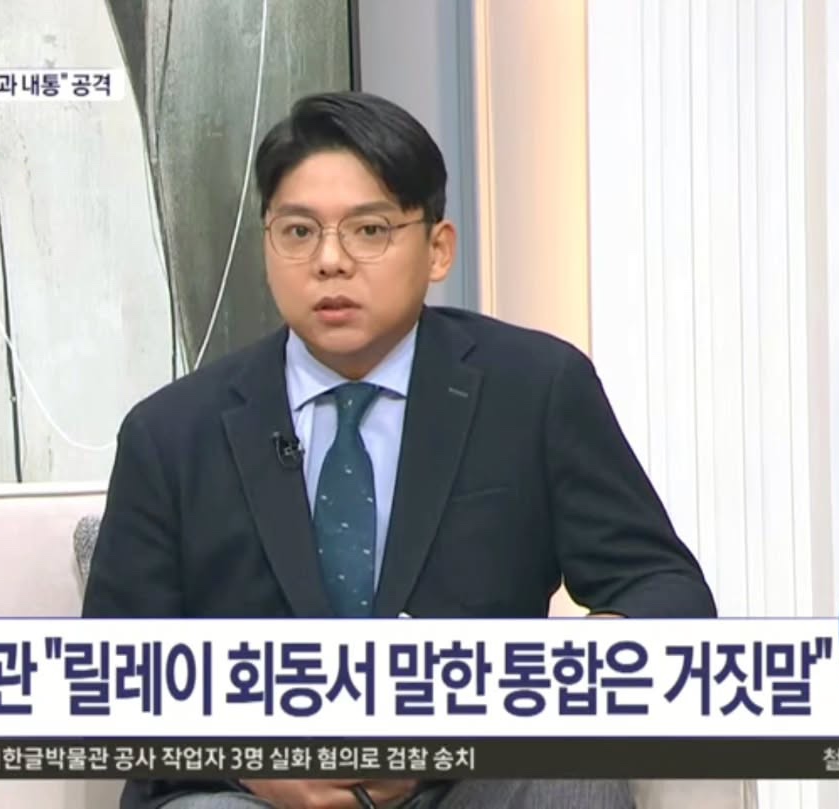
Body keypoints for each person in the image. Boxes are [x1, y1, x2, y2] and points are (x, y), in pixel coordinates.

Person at [83, 91, 716, 809]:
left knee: (565, 775)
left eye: (369, 230)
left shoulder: (534, 389)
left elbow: (667, 591)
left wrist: (533, 682)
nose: (329, 261)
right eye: (298, 231)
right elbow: (111, 673)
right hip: (249, 791)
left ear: (437, 248)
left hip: (471, 773)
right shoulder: (172, 433)